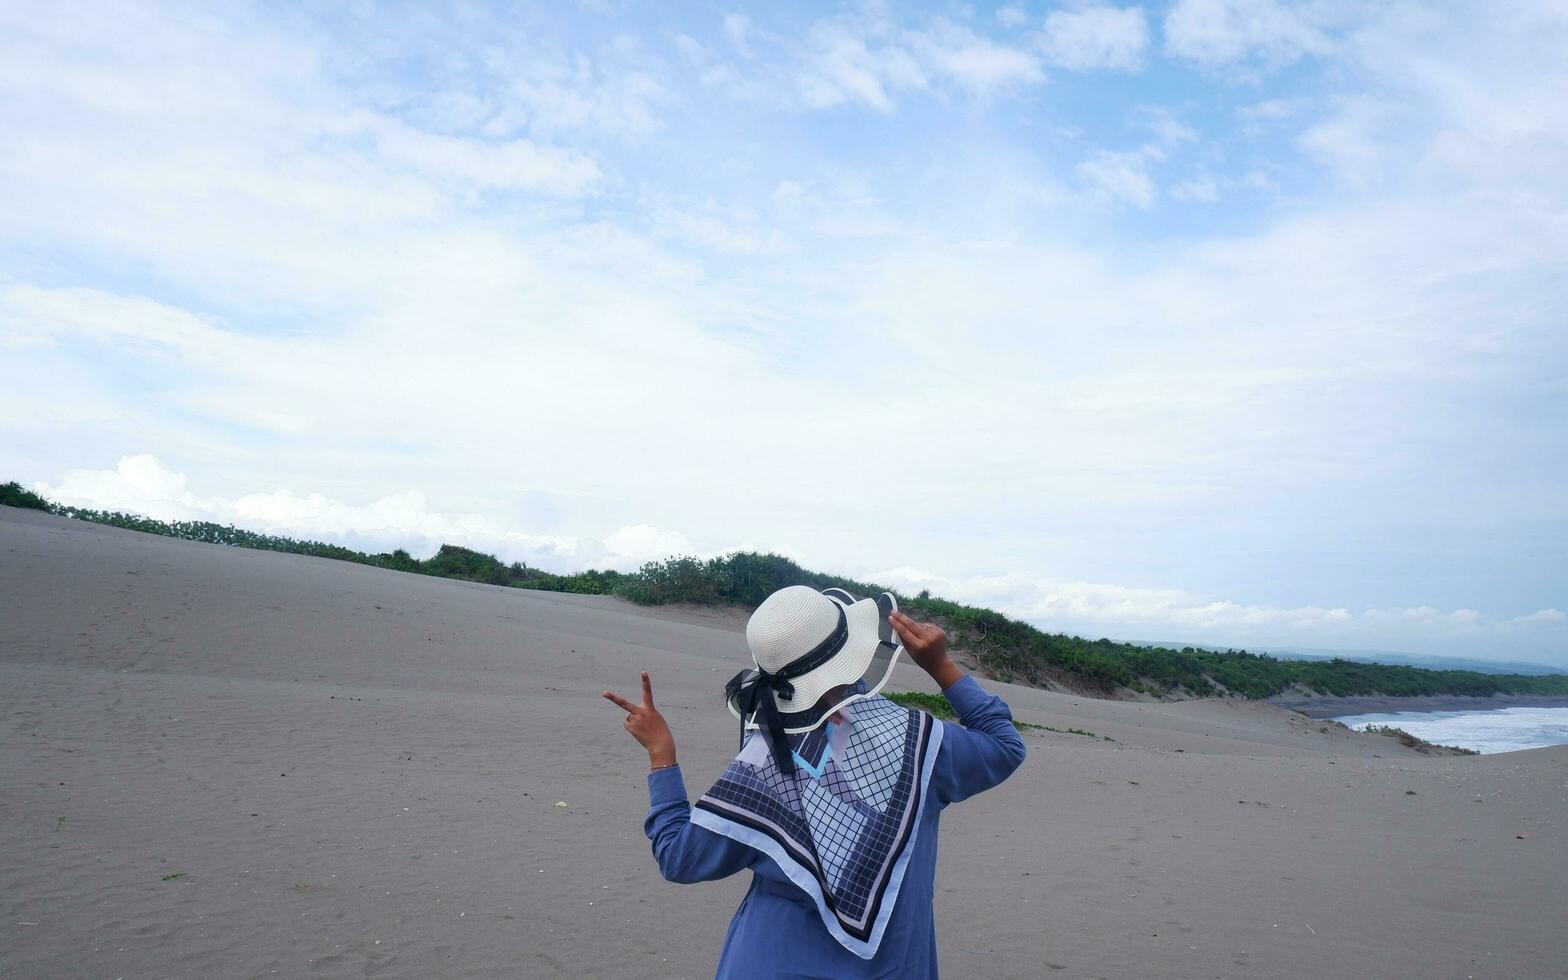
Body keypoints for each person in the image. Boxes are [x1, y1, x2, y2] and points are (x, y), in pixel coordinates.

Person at [602, 585, 1026, 978]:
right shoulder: (921, 742)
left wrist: (662, 757)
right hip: (893, 963)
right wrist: (941, 666)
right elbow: (1004, 745)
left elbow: (679, 857)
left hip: (768, 960)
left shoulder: (759, 763)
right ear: (852, 649)